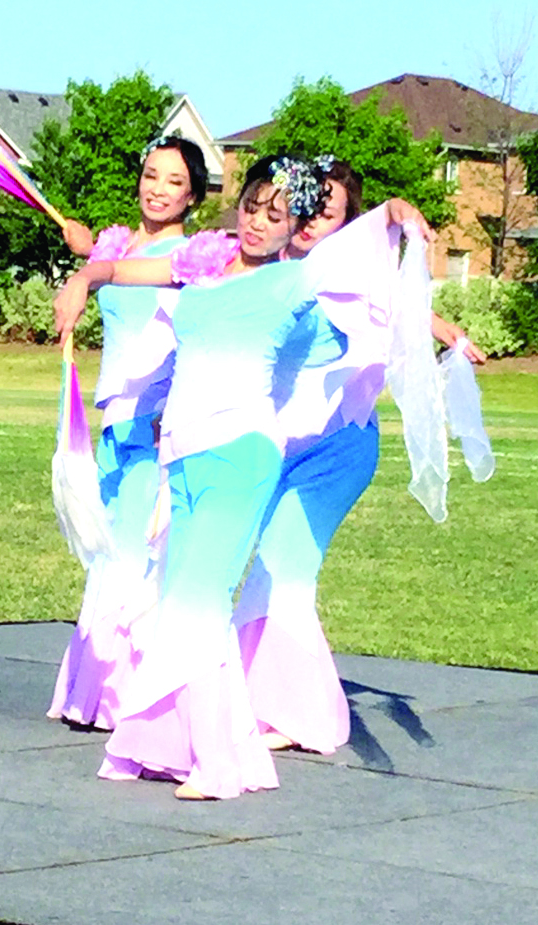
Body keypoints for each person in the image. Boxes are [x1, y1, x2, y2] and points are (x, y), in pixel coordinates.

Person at [57, 154, 365, 798]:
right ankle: (170, 743)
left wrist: (397, 216)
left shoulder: (299, 286)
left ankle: (223, 763)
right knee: (176, 599)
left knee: (199, 598)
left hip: (241, 454)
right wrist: (85, 278)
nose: (257, 224)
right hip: (184, 451)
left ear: (298, 227)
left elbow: (361, 322)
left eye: (276, 215)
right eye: (251, 207)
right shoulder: (199, 264)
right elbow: (120, 268)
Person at [234, 158, 484, 753]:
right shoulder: (274, 271)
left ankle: (305, 717)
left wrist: (400, 214)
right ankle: (251, 697)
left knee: (286, 567)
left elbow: (398, 292)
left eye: (330, 212)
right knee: (258, 574)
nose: (313, 220)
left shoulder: (351, 272)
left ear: (351, 223)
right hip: (275, 444)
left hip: (336, 448)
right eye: (308, 206)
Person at [48, 137, 208, 730]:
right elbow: (107, 263)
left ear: (192, 195)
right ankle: (99, 688)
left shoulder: (191, 257)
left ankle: (130, 696)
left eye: (172, 180)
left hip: (156, 415)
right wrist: (85, 255)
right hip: (113, 416)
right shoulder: (119, 246)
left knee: (135, 551)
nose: (157, 188)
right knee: (110, 548)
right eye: (150, 175)